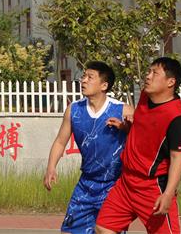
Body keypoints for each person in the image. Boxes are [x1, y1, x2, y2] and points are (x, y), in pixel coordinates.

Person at [95, 57, 181, 234]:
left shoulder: (177, 118)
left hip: (152, 188)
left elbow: (177, 158)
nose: (148, 76)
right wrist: (125, 128)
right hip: (126, 182)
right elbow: (144, 129)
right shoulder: (145, 97)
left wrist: (168, 194)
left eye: (155, 73)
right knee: (103, 228)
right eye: (148, 71)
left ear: (171, 82)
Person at [43, 61, 133, 234]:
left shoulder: (124, 111)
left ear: (104, 85)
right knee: (69, 231)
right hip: (86, 184)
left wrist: (125, 128)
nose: (83, 80)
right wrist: (51, 167)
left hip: (115, 186)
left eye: (90, 77)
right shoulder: (74, 110)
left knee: (106, 231)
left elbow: (142, 141)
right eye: (83, 76)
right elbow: (60, 141)